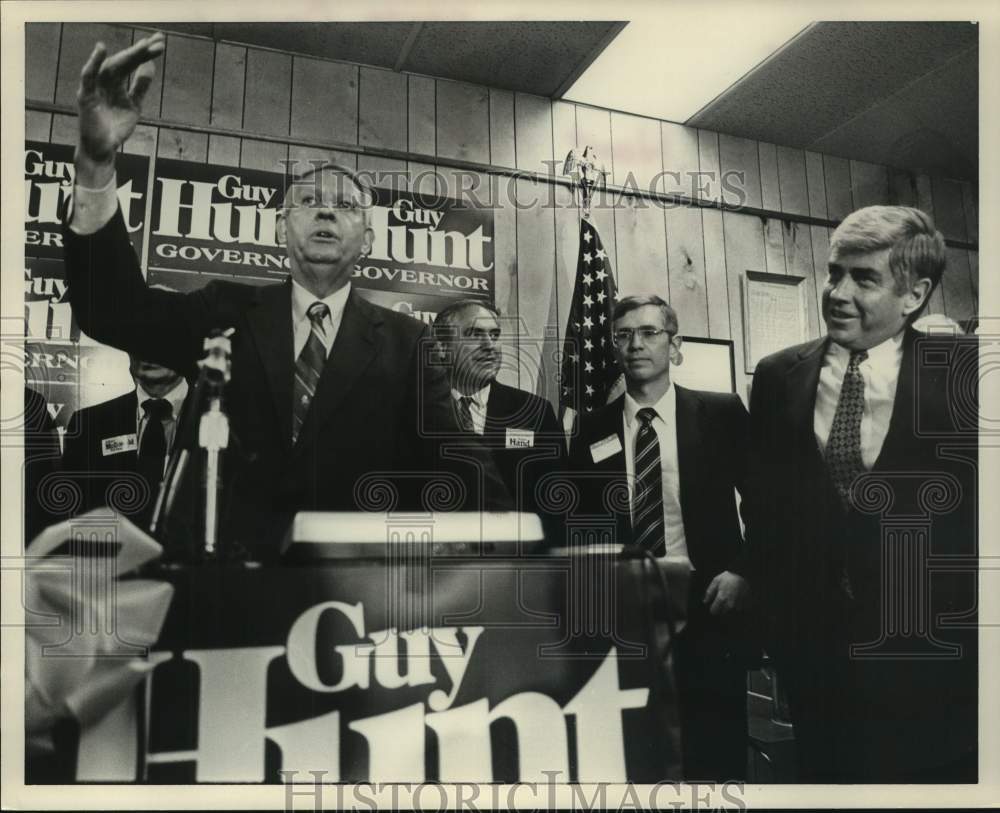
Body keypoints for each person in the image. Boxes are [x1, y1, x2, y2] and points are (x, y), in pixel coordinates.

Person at [63, 33, 510, 559]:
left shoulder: (409, 343)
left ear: (367, 240)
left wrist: (504, 559)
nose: (325, 212)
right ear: (280, 229)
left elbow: (463, 467)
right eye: (309, 202)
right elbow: (111, 310)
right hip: (222, 590)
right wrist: (95, 163)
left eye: (344, 205)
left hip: (351, 597)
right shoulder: (223, 311)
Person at [748, 205, 977, 782]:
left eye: (864, 278)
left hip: (932, 657)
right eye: (833, 272)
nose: (837, 292)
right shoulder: (778, 376)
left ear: (914, 294)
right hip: (813, 652)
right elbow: (764, 502)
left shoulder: (965, 376)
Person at [567, 294, 753, 781]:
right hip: (625, 609)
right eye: (624, 334)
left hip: (709, 601)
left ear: (675, 345)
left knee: (715, 749)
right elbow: (578, 520)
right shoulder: (591, 430)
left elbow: (768, 501)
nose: (636, 344)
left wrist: (743, 570)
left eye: (650, 332)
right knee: (637, 749)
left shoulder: (720, 413)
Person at [431, 299, 564, 542]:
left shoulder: (534, 412)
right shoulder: (417, 410)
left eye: (494, 335)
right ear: (442, 347)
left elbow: (558, 507)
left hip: (518, 565)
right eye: (474, 334)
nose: (489, 345)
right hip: (436, 568)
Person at [61, 356, 189, 533]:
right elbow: (71, 512)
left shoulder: (226, 421)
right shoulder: (88, 423)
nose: (149, 352)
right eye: (138, 339)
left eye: (163, 340)